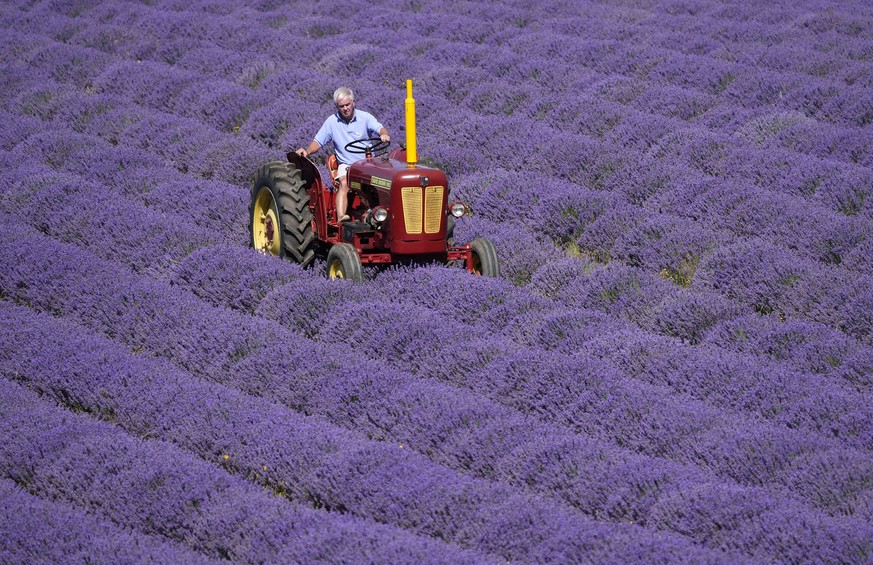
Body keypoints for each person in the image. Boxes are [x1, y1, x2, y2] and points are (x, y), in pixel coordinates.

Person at [296, 87, 390, 223]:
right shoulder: (331, 122)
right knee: (344, 183)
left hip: (368, 164)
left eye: (348, 104)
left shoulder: (365, 117)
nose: (345, 108)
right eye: (341, 106)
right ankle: (341, 216)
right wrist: (307, 151)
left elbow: (379, 128)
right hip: (347, 165)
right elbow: (318, 141)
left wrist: (383, 134)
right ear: (337, 107)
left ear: (353, 103)